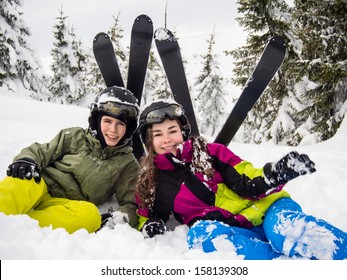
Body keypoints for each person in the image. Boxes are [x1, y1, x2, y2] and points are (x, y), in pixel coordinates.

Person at [135, 99, 347, 260]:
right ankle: (283, 264)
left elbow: (247, 180)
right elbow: (148, 213)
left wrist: (274, 175)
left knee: (284, 231)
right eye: (158, 134)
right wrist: (150, 223)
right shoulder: (153, 183)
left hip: (267, 207)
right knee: (200, 236)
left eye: (172, 131)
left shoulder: (211, 153)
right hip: (232, 228)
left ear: (183, 132)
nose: (167, 139)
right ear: (149, 141)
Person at [0, 86, 140, 234]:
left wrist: (119, 218)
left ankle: (20, 225)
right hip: (40, 184)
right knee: (20, 181)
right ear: (97, 120)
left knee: (90, 217)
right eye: (108, 121)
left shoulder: (127, 164)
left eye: (120, 124)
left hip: (68, 205)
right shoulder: (75, 136)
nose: (113, 129)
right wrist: (27, 160)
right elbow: (41, 151)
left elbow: (131, 204)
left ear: (129, 129)